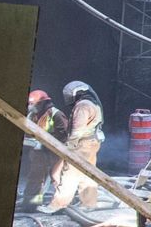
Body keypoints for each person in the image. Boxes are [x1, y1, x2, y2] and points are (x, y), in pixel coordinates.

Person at [42, 80, 105, 212]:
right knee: (87, 174)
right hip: (92, 143)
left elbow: (77, 130)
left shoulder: (82, 106)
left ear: (76, 93)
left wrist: (69, 148)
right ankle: (89, 203)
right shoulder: (92, 103)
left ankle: (57, 205)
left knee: (69, 174)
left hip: (81, 144)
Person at [18, 89, 67, 209]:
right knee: (36, 178)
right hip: (38, 153)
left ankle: (60, 204)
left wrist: (46, 142)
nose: (30, 106)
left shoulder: (56, 114)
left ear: (42, 103)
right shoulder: (33, 115)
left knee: (57, 178)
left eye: (33, 104)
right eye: (29, 104)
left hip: (54, 153)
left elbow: (63, 134)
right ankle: (32, 203)